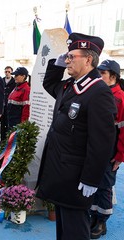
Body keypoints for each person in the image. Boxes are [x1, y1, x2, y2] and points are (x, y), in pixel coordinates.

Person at [35, 32, 117, 240]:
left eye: (72, 56)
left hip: (76, 179)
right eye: (67, 56)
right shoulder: (71, 86)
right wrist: (58, 63)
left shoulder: (98, 92)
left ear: (88, 59)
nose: (68, 60)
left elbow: (101, 143)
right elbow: (48, 84)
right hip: (62, 174)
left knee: (75, 232)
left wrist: (91, 179)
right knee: (64, 231)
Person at [90, 60, 124, 239]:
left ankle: (101, 222)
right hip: (94, 148)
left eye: (102, 73)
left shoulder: (121, 98)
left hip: (110, 152)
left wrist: (119, 155)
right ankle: (93, 216)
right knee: (92, 182)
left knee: (104, 186)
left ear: (113, 76)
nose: (99, 76)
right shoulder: (99, 93)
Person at [0, 66, 16, 143]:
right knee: (2, 123)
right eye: (6, 71)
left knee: (8, 123)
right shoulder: (2, 80)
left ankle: (8, 139)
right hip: (2, 105)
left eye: (9, 72)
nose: (7, 73)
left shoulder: (14, 82)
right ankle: (2, 139)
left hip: (10, 106)